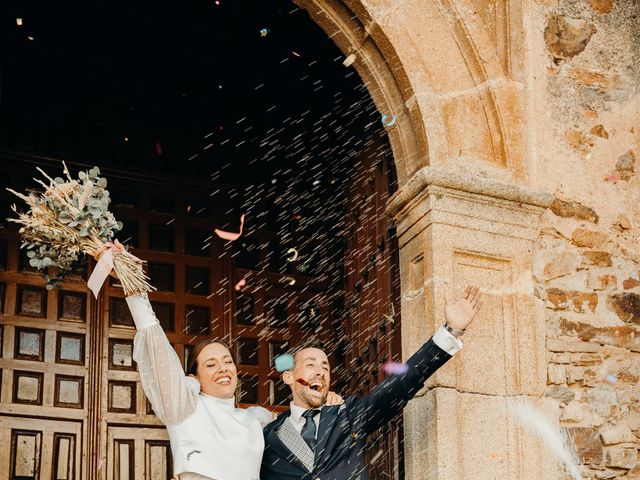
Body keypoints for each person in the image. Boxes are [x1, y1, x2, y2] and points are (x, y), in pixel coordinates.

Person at [261, 285, 484, 480]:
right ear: (289, 376)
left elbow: (400, 385)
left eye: (325, 367)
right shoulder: (267, 437)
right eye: (310, 365)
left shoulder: (347, 415)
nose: (320, 372)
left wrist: (449, 332)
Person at [125, 292, 344, 480]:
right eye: (211, 364)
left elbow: (303, 442)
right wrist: (135, 292)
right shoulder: (184, 408)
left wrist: (325, 404)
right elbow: (157, 351)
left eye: (228, 361)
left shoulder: (256, 419)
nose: (223, 368)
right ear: (195, 376)